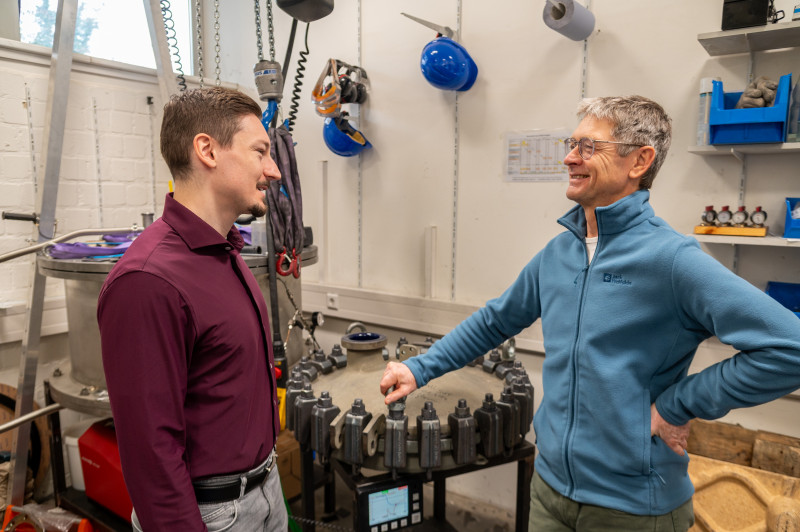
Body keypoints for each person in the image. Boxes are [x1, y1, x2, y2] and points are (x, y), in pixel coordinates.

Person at [380, 95, 800, 531]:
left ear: (639, 161)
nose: (569, 158)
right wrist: (419, 369)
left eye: (587, 147)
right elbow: (495, 321)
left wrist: (678, 405)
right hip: (549, 492)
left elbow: (790, 348)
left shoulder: (672, 260)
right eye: (571, 143)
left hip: (632, 509)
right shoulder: (559, 252)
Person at [97, 87, 288, 531]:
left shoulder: (224, 251)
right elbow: (151, 454)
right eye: (260, 151)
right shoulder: (148, 280)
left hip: (265, 488)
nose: (273, 170)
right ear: (207, 150)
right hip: (214, 514)